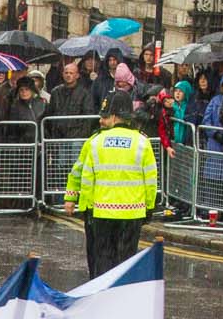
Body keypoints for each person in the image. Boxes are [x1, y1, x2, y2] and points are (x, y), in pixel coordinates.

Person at [66, 93, 157, 279]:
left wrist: (84, 205)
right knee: (126, 262)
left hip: (102, 212)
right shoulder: (142, 142)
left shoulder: (96, 142)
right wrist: (149, 206)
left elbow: (87, 177)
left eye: (105, 116)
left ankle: (102, 300)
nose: (101, 120)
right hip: (133, 213)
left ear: (115, 117)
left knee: (103, 261)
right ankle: (122, 299)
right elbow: (150, 179)